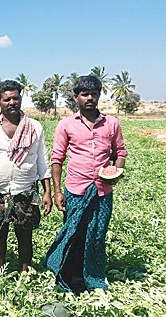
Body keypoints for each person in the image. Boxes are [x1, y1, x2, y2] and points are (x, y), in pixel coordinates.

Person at [45, 75, 128, 293]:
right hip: (75, 189)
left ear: (99, 95)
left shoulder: (112, 123)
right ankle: (68, 275)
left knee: (97, 235)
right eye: (85, 94)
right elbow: (57, 158)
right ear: (76, 98)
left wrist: (116, 171)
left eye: (94, 94)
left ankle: (92, 277)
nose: (90, 98)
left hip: (102, 191)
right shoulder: (66, 125)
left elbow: (120, 152)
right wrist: (56, 191)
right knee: (74, 233)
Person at [0, 80, 52, 272]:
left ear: (21, 99)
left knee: (25, 237)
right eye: (7, 99)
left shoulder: (34, 127)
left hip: (25, 191)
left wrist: (47, 192)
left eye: (16, 98)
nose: (12, 102)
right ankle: (0, 274)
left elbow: (42, 160)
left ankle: (24, 275)